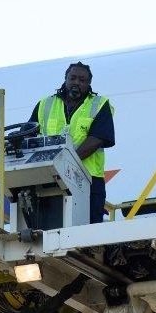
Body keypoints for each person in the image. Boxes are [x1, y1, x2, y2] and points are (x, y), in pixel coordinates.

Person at [30, 62, 114, 224]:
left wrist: (66, 162)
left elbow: (98, 137)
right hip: (50, 178)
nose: (76, 82)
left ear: (89, 84)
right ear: (66, 79)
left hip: (89, 178)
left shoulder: (99, 104)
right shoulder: (44, 105)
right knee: (50, 225)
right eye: (73, 78)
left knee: (89, 228)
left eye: (82, 80)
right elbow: (30, 136)